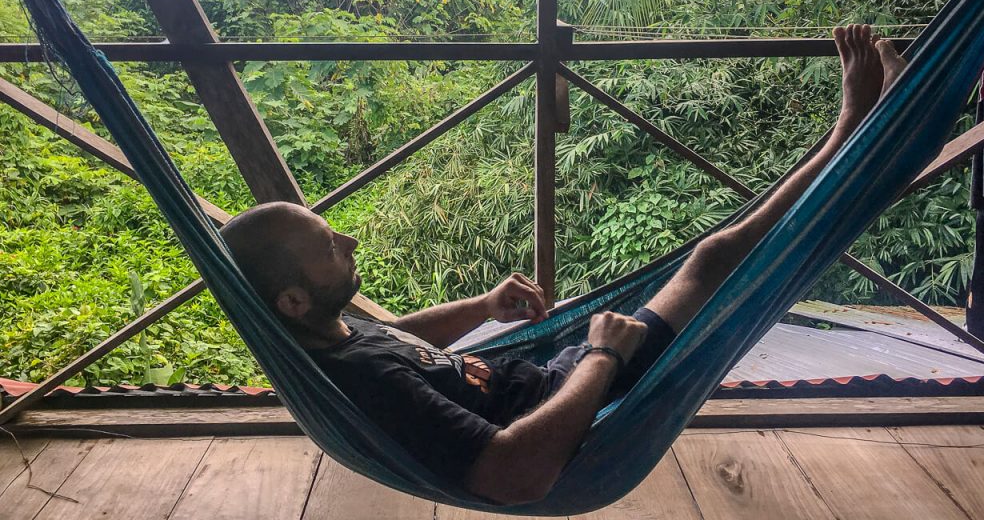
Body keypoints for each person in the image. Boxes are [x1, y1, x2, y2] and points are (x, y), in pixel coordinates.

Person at [220, 25, 906, 505]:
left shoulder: (329, 341)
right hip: (584, 406)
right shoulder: (366, 386)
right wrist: (601, 359)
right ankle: (855, 130)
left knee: (717, 254)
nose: (351, 244)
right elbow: (514, 476)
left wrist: (483, 309)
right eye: (329, 248)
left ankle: (857, 138)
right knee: (716, 256)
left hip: (556, 378)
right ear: (292, 299)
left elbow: (402, 339)